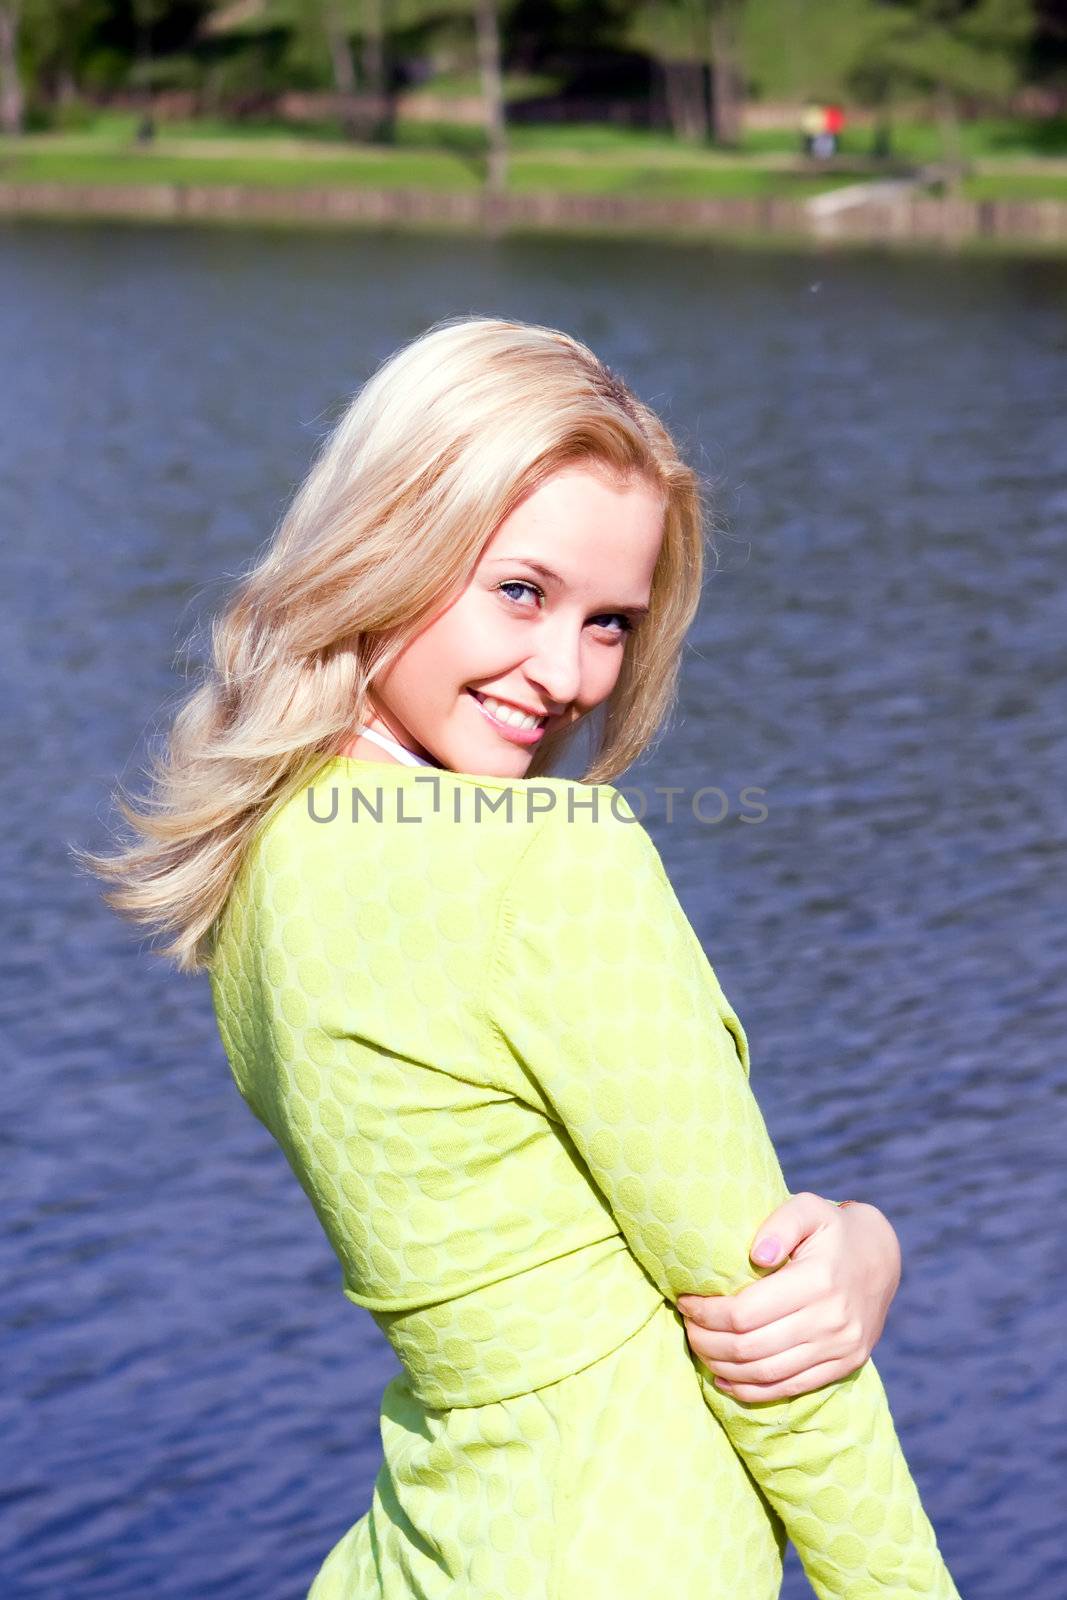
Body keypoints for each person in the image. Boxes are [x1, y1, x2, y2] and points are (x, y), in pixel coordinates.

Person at [76, 316, 960, 1597]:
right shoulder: (547, 861)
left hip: (428, 1545)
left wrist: (862, 1239)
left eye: (610, 622)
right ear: (390, 539)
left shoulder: (261, 860)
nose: (565, 673)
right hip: (623, 1547)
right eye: (521, 591)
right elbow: (771, 1342)